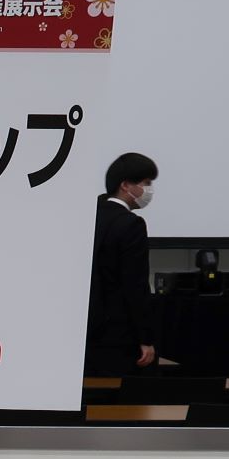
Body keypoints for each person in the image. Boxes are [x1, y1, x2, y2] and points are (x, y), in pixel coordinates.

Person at [85, 152, 161, 376]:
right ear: (126, 185)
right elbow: (135, 285)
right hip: (118, 333)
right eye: (146, 183)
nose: (149, 190)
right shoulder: (131, 224)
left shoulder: (89, 216)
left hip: (85, 329)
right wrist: (145, 337)